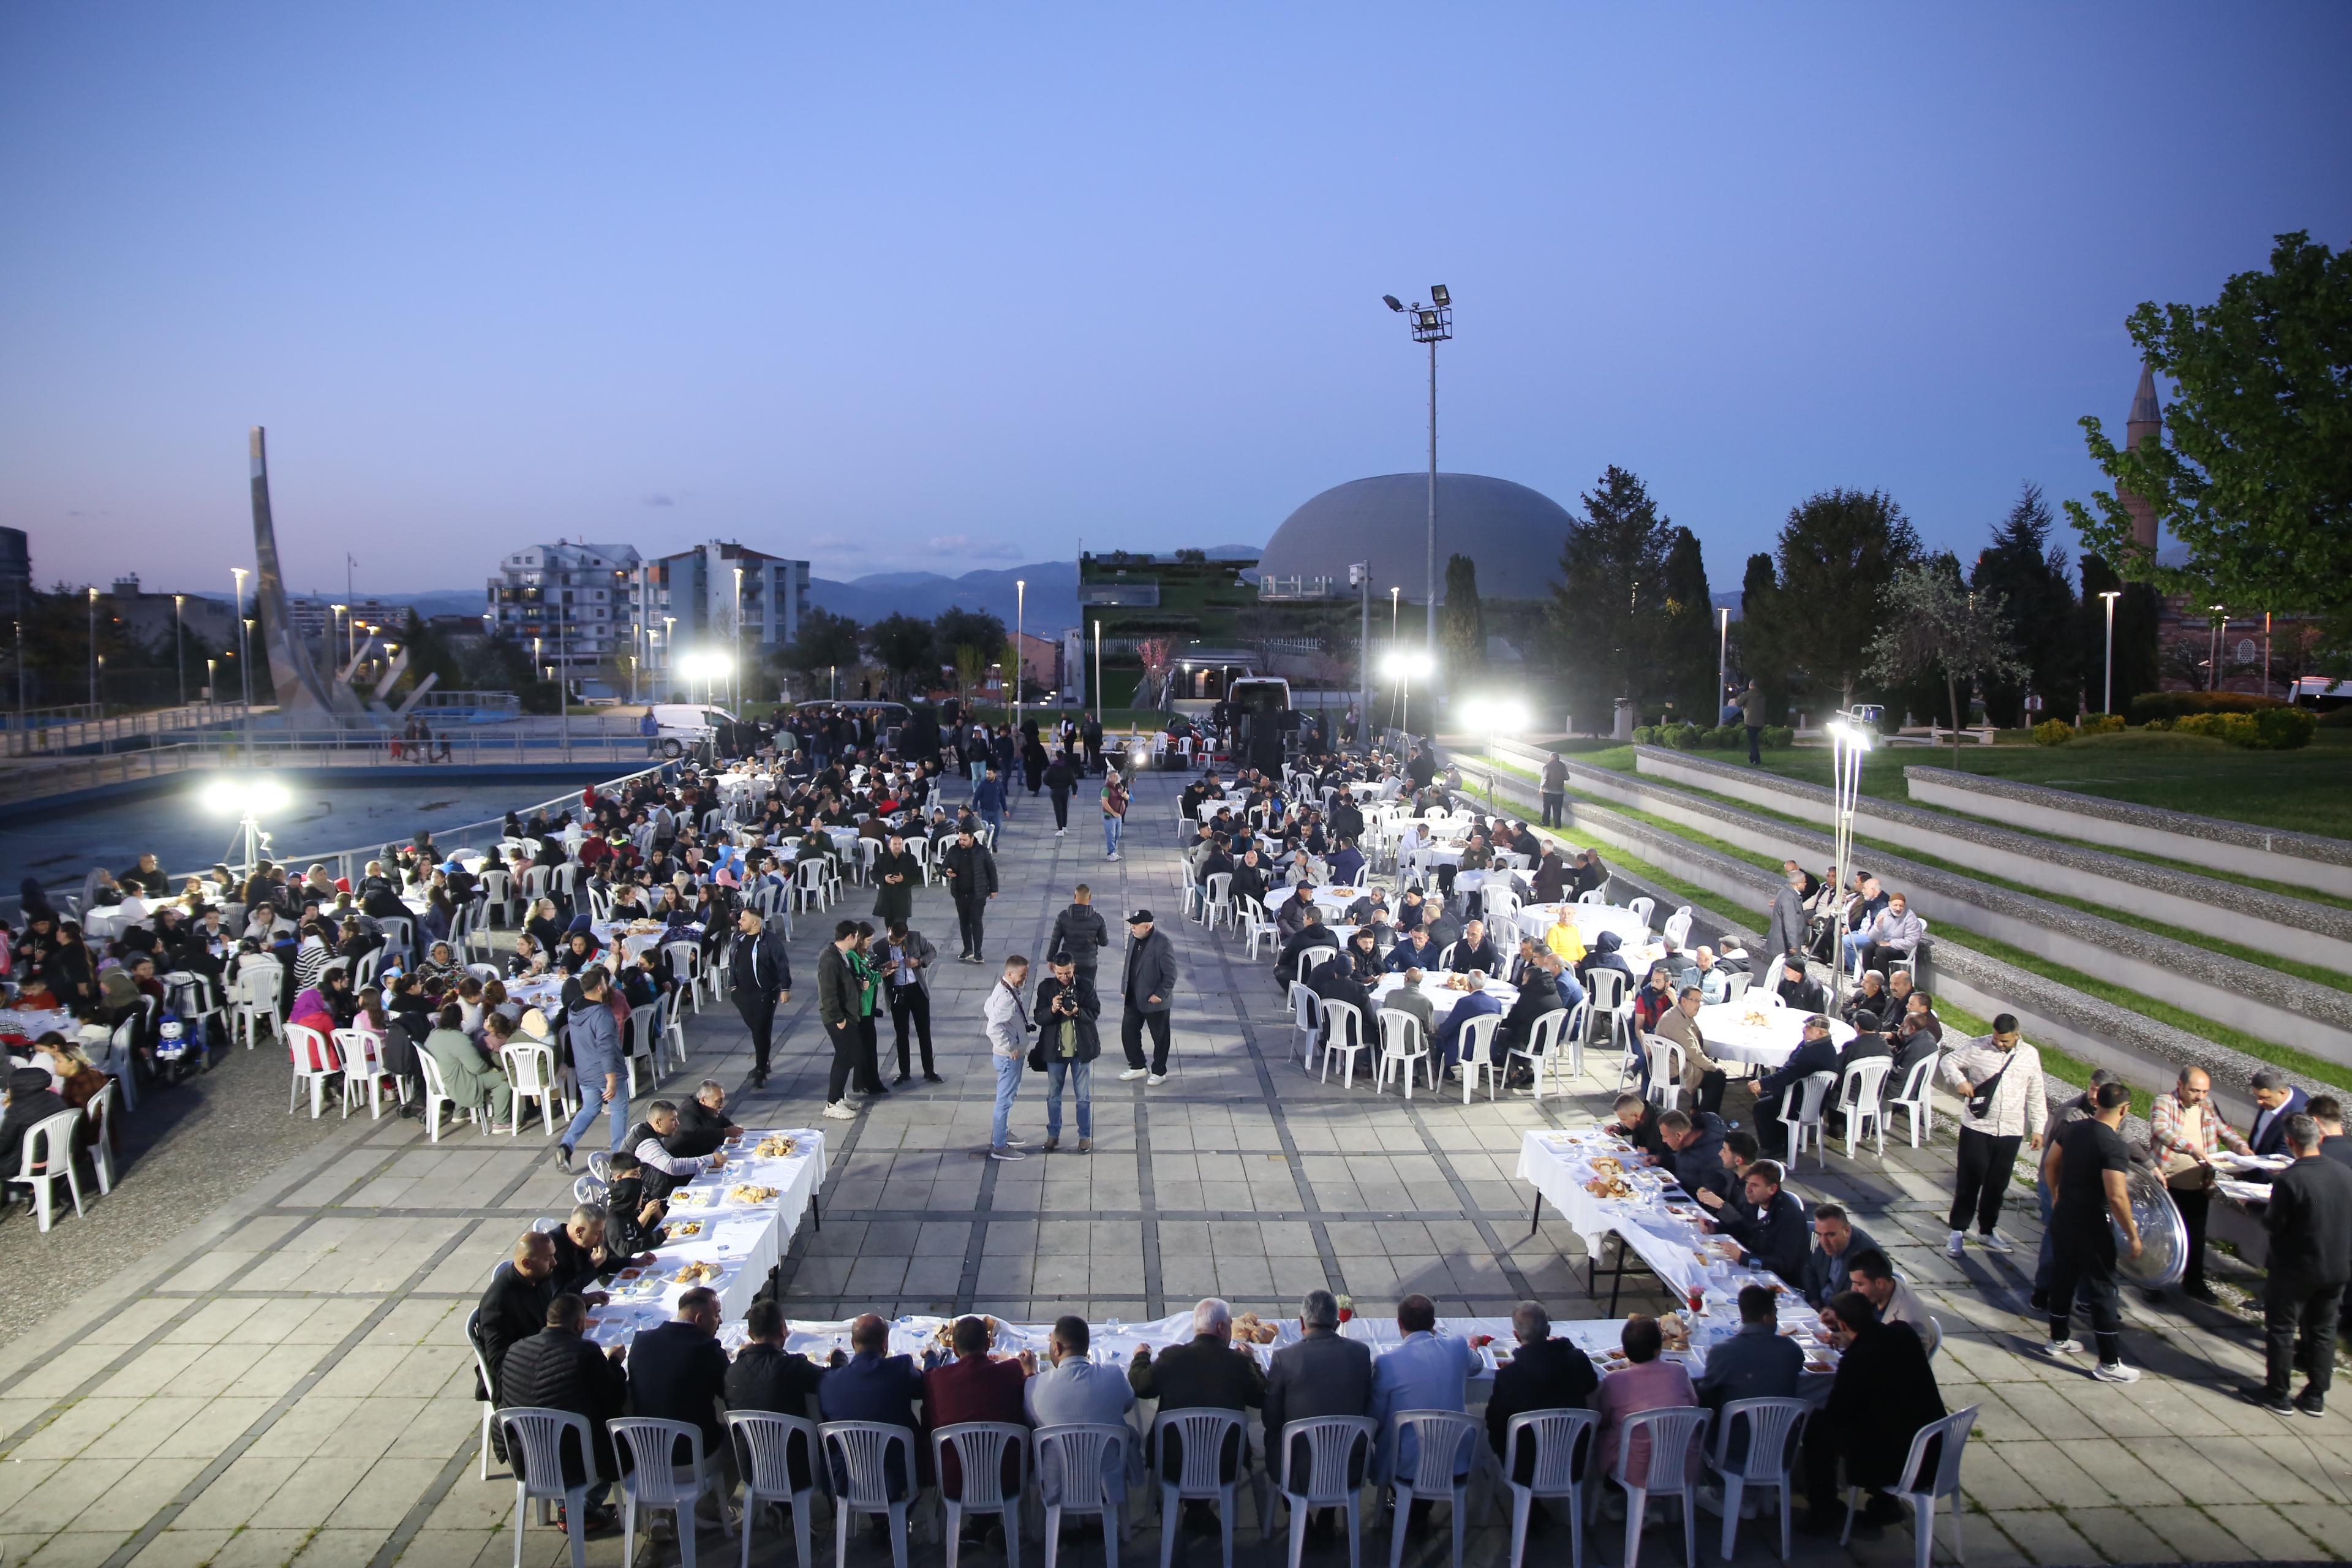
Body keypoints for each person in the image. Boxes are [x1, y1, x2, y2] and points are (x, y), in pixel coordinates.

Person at [1799, 1292, 1943, 1533]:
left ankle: (1823, 1510)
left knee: (1817, 1429)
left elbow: (1837, 1412)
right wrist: (1848, 1342)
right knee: (1881, 1416)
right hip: (1932, 1439)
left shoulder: (1857, 1360)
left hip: (1897, 1458)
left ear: (1843, 1324)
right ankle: (1884, 1504)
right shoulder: (1901, 1332)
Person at [497, 1294, 629, 1536]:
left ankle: (567, 1505)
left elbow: (502, 1400)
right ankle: (583, 1508)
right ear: (580, 1325)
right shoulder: (585, 1352)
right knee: (617, 1433)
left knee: (568, 1416)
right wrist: (614, 1363)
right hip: (574, 1462)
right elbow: (612, 1396)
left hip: (526, 1457)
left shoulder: (515, 1350)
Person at [1128, 1298, 1264, 1531]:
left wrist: (1141, 1357)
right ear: (1221, 1328)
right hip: (1223, 1463)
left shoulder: (1172, 1358)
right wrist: (1253, 1362)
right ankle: (1198, 1509)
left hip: (1172, 1461)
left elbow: (1141, 1386)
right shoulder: (1238, 1364)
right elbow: (1261, 1397)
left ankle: (1186, 1504)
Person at [2041, 1080, 2143, 1382]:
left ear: (2097, 1102)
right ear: (2125, 1110)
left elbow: (2049, 1163)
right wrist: (2133, 1235)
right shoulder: (2114, 1146)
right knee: (2103, 1289)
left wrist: (2056, 1193)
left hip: (2065, 1216)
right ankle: (2109, 1363)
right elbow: (2116, 1196)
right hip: (2092, 1223)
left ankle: (2058, 1338)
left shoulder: (2073, 1129)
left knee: (2064, 1276)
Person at [1939, 1013, 2046, 1256]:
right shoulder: (1978, 1046)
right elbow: (1948, 1061)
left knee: (1997, 1185)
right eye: (1998, 1039)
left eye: (2005, 1041)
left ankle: (1988, 1230)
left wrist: (2038, 1127)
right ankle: (1957, 1231)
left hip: (2010, 1130)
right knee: (1969, 1180)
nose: (2000, 1044)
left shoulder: (2030, 1055)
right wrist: (1959, 1081)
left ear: (2017, 1035)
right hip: (1978, 1127)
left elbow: (2036, 1092)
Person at [2147, 1065, 2252, 1304]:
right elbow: (2161, 1130)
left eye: (2205, 1092)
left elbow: (2224, 1130)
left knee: (2196, 1234)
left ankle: (2193, 1282)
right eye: (2195, 1091)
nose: (2200, 1097)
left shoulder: (2207, 1106)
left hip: (2198, 1184)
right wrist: (2192, 1149)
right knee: (2162, 1234)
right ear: (2180, 1086)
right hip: (2167, 1182)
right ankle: (2154, 1281)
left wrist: (2241, 1148)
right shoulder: (2164, 1103)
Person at [1262, 1289, 1374, 1507]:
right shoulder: (1361, 1353)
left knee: (1278, 1435)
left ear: (1302, 1322)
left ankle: (1299, 1517)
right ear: (1335, 1321)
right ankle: (1327, 1515)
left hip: (1297, 1469)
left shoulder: (1285, 1358)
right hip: (1348, 1468)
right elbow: (1367, 1405)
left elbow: (1271, 1419)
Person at [627, 1287, 732, 1496]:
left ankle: (661, 1512)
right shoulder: (708, 1350)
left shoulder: (640, 1342)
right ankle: (713, 1510)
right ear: (700, 1319)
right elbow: (731, 1396)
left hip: (645, 1456)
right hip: (690, 1457)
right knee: (741, 1435)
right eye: (717, 1314)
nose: (720, 1321)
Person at [1025, 1314, 1138, 1505]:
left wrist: (1029, 1373)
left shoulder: (1034, 1386)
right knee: (1129, 1432)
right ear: (1087, 1347)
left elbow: (1029, 1419)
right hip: (1106, 1485)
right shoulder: (1114, 1376)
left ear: (1057, 1348)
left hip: (1056, 1485)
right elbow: (1127, 1405)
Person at [1368, 1293, 1477, 1487]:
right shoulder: (1458, 1347)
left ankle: (1404, 1503)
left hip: (1408, 1466)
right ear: (1433, 1323)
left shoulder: (1387, 1362)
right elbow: (1477, 1364)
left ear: (1399, 1322)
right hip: (1457, 1461)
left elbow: (1376, 1416)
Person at [924, 1314, 1031, 1510]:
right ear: (989, 1343)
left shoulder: (938, 1379)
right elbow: (1026, 1380)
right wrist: (1024, 1368)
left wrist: (930, 1356)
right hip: (1006, 1478)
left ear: (954, 1349)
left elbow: (929, 1374)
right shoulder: (1011, 1371)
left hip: (955, 1481)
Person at [1484, 1300, 1597, 1483]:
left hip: (1525, 1467)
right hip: (1574, 1461)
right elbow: (1592, 1393)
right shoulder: (1578, 1361)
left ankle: (1530, 1505)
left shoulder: (1509, 1376)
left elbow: (1494, 1423)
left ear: (1516, 1335)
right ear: (1549, 1330)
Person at [818, 1313, 929, 1496]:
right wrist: (931, 1358)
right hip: (898, 1477)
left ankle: (880, 1521)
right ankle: (890, 1519)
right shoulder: (900, 1369)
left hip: (847, 1479)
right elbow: (923, 1387)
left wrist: (838, 1360)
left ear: (853, 1344)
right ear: (885, 1345)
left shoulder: (828, 1382)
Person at [1694, 1285, 1802, 1466]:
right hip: (1781, 1449)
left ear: (1742, 1315)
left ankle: (1712, 1484)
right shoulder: (1791, 1350)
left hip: (1734, 1448)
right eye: (1776, 1314)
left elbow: (1706, 1397)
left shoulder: (1723, 1352)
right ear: (1768, 1318)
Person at [1593, 1316, 1700, 1494]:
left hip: (1634, 1469)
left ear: (1625, 1350)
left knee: (1602, 1436)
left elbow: (1604, 1417)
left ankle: (1614, 1496)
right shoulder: (1679, 1371)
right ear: (1658, 1350)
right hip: (1680, 1462)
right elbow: (1694, 1405)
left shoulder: (1614, 1380)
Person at [726, 1300, 824, 1487]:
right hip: (796, 1471)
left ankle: (779, 1510)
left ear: (750, 1334)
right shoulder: (794, 1367)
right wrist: (838, 1359)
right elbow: (831, 1380)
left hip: (752, 1471)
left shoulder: (732, 1372)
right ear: (783, 1330)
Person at [474, 1232, 560, 1421]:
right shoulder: (498, 1302)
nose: (554, 1263)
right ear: (526, 1264)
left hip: (546, 1358)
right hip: (522, 1379)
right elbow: (498, 1361)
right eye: (548, 1258)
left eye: (554, 1255)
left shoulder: (540, 1277)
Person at [557, 968, 627, 1172]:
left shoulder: (574, 1008)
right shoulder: (601, 1014)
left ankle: (566, 1145)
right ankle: (618, 1154)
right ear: (599, 987)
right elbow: (606, 1048)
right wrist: (611, 1079)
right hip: (605, 1070)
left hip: (585, 1070)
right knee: (619, 1110)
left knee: (589, 1108)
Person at [1033, 951, 1099, 1153]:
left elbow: (1095, 1012)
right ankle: (1053, 1135)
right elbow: (1039, 1018)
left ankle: (1085, 1137)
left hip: (1081, 1051)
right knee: (1054, 1096)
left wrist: (1077, 1011)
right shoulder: (1046, 988)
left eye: (1068, 974)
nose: (1064, 978)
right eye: (1060, 974)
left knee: (1083, 1098)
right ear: (1054, 969)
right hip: (1055, 1052)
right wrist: (1052, 1009)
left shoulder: (1085, 985)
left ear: (1074, 968)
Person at [1709, 1159, 1809, 1286]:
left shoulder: (1790, 1218)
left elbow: (1783, 1264)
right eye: (1747, 1183)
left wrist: (1743, 1257)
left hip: (1782, 1283)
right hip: (1756, 1272)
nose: (1748, 1190)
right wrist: (1715, 1228)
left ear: (1772, 1189)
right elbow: (1743, 1227)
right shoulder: (1755, 1203)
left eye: (1755, 1185)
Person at [729, 908, 792, 1088]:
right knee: (757, 1028)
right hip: (742, 994)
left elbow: (782, 965)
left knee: (760, 1030)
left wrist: (785, 988)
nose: (739, 921)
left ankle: (761, 1070)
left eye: (743, 919)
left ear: (755, 923)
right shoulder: (738, 939)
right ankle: (763, 1063)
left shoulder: (770, 941)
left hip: (765, 993)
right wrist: (734, 988)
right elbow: (732, 961)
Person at [424, 1002, 515, 1125]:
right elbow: (478, 1068)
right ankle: (501, 1122)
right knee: (503, 1079)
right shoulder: (460, 1038)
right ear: (460, 1019)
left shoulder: (434, 1033)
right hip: (457, 1083)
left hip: (437, 1081)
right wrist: (491, 1066)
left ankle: (460, 1113)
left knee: (460, 1069)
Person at [624, 1098, 728, 1199]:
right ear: (658, 1122)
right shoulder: (647, 1143)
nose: (678, 1123)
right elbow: (672, 1166)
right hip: (641, 1199)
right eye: (673, 1120)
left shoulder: (639, 1129)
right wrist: (710, 1160)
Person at [1118, 909, 1177, 1085]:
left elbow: (1171, 974)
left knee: (1160, 1037)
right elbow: (1129, 963)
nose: (1132, 928)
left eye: (1136, 926)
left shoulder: (1162, 943)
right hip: (1134, 997)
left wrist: (1159, 994)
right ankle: (1137, 1066)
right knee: (1128, 1032)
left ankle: (1159, 1072)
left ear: (1148, 926)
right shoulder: (1133, 937)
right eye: (1132, 925)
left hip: (1154, 1001)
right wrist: (1124, 986)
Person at [1845, 1248, 1940, 1357]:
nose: (1854, 1289)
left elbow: (1903, 1368)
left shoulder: (1908, 1323)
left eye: (1860, 1285)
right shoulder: (1889, 1285)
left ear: (1880, 1283)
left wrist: (1853, 1343)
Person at [983, 954, 1033, 1161]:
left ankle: (1002, 1132)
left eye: (1026, 974)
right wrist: (1009, 1047)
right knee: (1004, 1100)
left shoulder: (1003, 988)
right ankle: (1000, 1145)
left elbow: (988, 1007)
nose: (1024, 979)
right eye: (1022, 975)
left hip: (1007, 1053)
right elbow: (993, 1027)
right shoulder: (1005, 997)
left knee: (1008, 1097)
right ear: (1009, 973)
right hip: (1008, 1057)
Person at [1751, 1014, 1842, 1127]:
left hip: (1800, 1102)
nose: (1804, 1029)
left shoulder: (1812, 1052)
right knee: (1766, 1096)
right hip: (1812, 1101)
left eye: (1809, 1028)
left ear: (1820, 1032)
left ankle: (1774, 1144)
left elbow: (1788, 1074)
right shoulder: (1824, 1047)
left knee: (1761, 1108)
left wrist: (1762, 1083)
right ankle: (1783, 1138)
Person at [1653, 985, 1728, 1115]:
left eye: (1700, 1001)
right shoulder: (1677, 1022)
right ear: (1683, 1001)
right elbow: (1694, 1054)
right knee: (1717, 1077)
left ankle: (1696, 1109)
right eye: (1695, 1001)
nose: (1699, 1005)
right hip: (1673, 1069)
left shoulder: (1678, 1013)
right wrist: (1714, 1067)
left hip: (1671, 1063)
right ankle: (1705, 1120)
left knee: (1707, 1067)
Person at [881, 919, 940, 1084]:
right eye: (892, 938)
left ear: (905, 936)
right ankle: (904, 1072)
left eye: (898, 941)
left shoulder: (916, 937)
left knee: (924, 1032)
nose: (894, 942)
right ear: (888, 930)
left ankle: (929, 1070)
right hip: (898, 992)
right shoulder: (880, 946)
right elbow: (874, 968)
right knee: (901, 1033)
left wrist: (919, 962)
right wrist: (884, 968)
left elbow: (932, 952)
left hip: (917, 990)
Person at [816, 921, 864, 1121]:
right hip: (838, 1017)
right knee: (843, 1056)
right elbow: (828, 993)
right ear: (851, 936)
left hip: (848, 1015)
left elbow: (845, 983)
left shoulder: (842, 956)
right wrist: (839, 1019)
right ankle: (832, 1103)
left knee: (851, 1055)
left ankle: (840, 1096)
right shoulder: (829, 959)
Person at [940, 827, 1000, 963]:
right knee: (964, 922)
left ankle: (978, 952)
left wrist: (993, 889)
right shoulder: (953, 851)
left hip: (977, 894)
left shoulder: (982, 852)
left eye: (964, 840)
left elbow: (992, 870)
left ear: (972, 838)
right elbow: (943, 867)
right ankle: (968, 949)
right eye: (960, 839)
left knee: (976, 922)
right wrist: (946, 871)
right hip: (960, 893)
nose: (961, 842)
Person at [1801, 1202, 1877, 1308]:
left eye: (1830, 1235)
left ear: (1847, 1231)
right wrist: (1814, 1299)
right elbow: (1810, 1269)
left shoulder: (1866, 1256)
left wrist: (1836, 1314)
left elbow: (1863, 1302)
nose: (1824, 1242)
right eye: (1819, 1234)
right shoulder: (1826, 1241)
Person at [1431, 971, 1504, 1072]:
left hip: (1465, 1049)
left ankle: (1443, 1071)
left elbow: (1447, 1028)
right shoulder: (1497, 1003)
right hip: (1487, 1048)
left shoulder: (1465, 1002)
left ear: (1469, 985)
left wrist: (1438, 1029)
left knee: (1441, 1038)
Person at [1654, 1108, 1730, 1200]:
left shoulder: (1711, 1158)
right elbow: (1684, 1162)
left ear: (1678, 1136)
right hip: (1679, 1190)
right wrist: (1660, 1159)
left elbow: (1712, 1196)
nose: (1663, 1140)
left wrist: (1707, 1192)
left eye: (1665, 1136)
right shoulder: (1688, 1140)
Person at [1048, 883, 1110, 992]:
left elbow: (1055, 941)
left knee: (1067, 992)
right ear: (1090, 897)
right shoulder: (1098, 919)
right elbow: (1104, 942)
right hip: (1089, 963)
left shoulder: (1063, 916)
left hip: (1068, 963)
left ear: (1075, 896)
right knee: (1087, 993)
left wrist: (1050, 959)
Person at [2247, 1069, 2312, 1158]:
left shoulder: (2299, 1116)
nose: (2259, 1102)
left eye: (2264, 1097)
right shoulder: (2271, 1099)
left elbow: (2283, 1160)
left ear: (2282, 1093)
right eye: (2257, 1096)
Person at [668, 1079, 739, 1158]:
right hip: (683, 1160)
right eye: (718, 1101)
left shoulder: (710, 1109)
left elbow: (723, 1121)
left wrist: (734, 1130)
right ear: (703, 1100)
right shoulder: (687, 1112)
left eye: (723, 1100)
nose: (722, 1105)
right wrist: (725, 1133)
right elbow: (697, 1134)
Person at [1766, 872, 1807, 960]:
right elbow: (1790, 923)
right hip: (1784, 948)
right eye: (1804, 882)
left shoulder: (1785, 892)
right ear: (1798, 884)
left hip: (1781, 946)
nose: (1806, 884)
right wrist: (1793, 945)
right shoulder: (1789, 898)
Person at [1101, 768, 1128, 862]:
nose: (1117, 778)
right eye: (1114, 777)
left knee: (1117, 835)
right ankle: (1110, 853)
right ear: (1109, 778)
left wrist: (1125, 796)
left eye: (1117, 776)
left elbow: (1129, 797)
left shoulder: (1119, 787)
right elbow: (1105, 803)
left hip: (1118, 816)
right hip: (1110, 816)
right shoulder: (1106, 789)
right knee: (1111, 835)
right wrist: (1114, 813)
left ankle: (1114, 851)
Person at [1539, 753, 1567, 829]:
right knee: (1558, 810)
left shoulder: (1547, 767)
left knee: (1547, 808)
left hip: (1548, 791)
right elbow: (1567, 777)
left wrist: (1541, 788)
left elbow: (1544, 779)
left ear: (1551, 758)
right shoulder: (1563, 766)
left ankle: (1546, 823)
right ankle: (1557, 826)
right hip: (1559, 792)